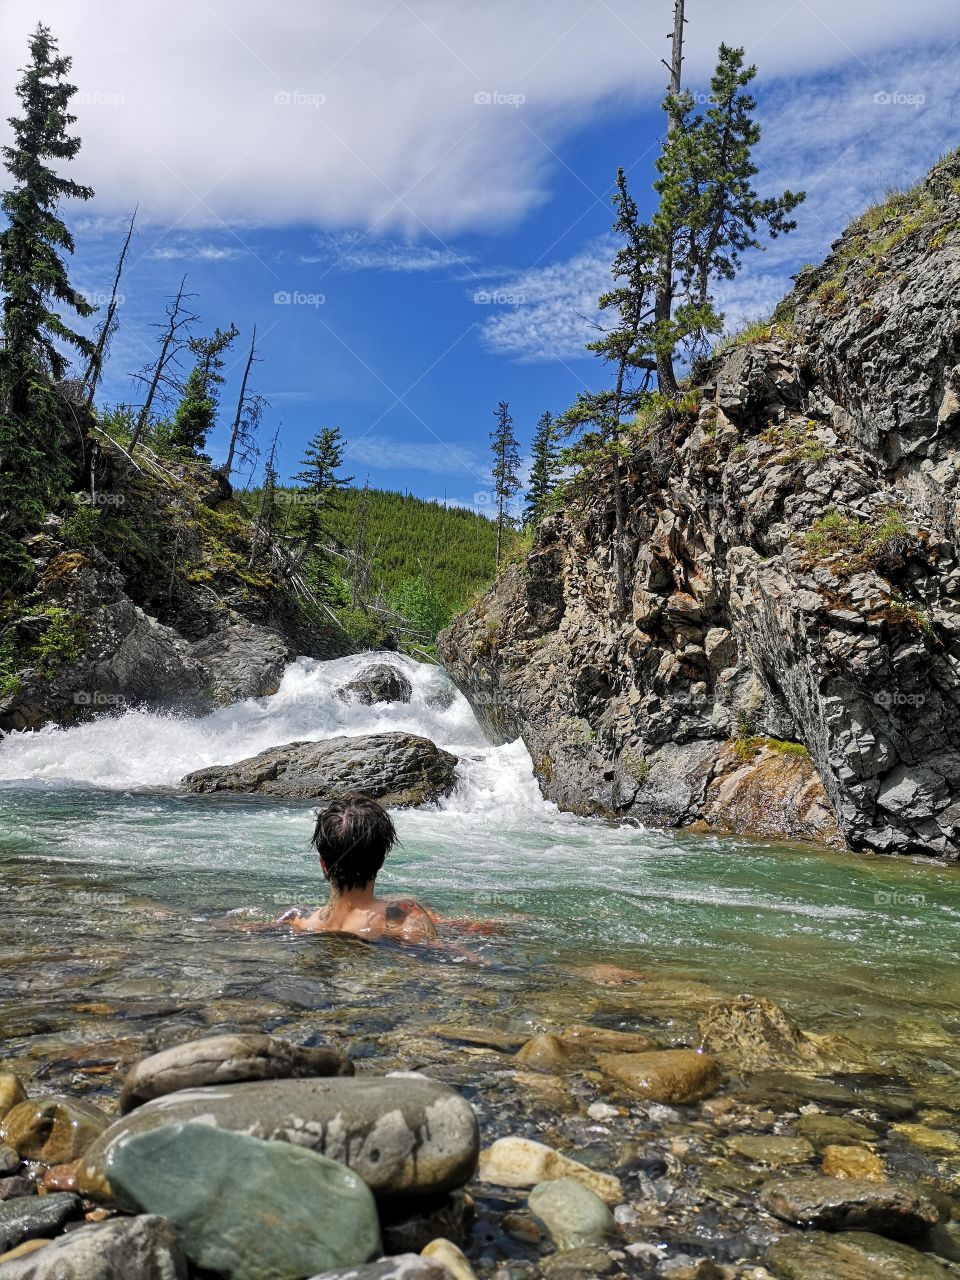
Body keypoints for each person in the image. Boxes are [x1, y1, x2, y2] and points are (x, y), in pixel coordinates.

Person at [279, 793, 439, 944]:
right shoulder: (405, 915)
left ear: (323, 863)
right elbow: (437, 955)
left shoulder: (295, 918)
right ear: (381, 861)